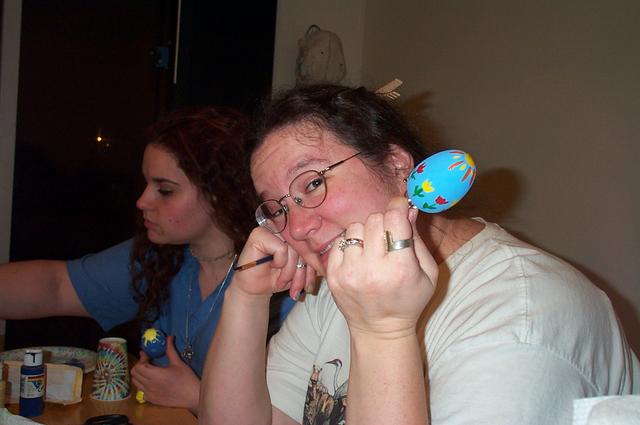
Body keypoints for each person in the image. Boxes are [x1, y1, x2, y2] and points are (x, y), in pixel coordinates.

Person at [199, 84, 639, 425]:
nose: (295, 229)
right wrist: (247, 297)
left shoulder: (521, 319)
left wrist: (383, 331)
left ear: (398, 166)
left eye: (312, 183)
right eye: (277, 210)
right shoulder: (340, 286)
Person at [0, 106, 295, 415]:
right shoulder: (162, 257)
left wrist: (197, 397)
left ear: (219, 194)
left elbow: (295, 410)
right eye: (146, 184)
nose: (142, 201)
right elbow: (56, 286)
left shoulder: (282, 279)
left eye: (164, 190)